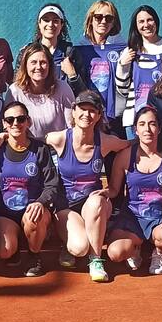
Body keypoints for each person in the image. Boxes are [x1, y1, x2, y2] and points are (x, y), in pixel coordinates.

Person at [49, 90, 129, 282]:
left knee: (96, 202)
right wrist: (2, 136)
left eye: (92, 111)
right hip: (66, 208)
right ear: (74, 112)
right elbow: (29, 142)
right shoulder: (59, 139)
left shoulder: (105, 141)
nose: (86, 115)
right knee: (79, 248)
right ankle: (68, 244)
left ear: (99, 116)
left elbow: (132, 144)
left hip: (94, 206)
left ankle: (95, 259)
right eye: (82, 110)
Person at [0, 102, 61, 278]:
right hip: (5, 212)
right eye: (10, 119)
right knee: (6, 251)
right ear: (4, 124)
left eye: (21, 119)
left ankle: (33, 255)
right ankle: (19, 241)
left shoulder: (40, 149)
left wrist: (41, 202)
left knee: (34, 218)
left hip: (33, 209)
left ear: (28, 121)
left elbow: (52, 184)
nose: (16, 123)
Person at [105, 106, 162, 276]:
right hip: (131, 218)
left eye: (152, 124)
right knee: (115, 253)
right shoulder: (125, 156)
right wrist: (101, 194)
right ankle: (135, 248)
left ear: (159, 128)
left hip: (161, 217)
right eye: (142, 124)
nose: (147, 129)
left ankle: (159, 251)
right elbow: (113, 189)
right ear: (135, 130)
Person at [69, 0, 126, 136]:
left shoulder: (123, 49)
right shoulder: (78, 50)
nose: (103, 21)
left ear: (114, 22)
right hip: (87, 115)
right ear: (91, 20)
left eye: (109, 18)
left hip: (114, 119)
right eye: (98, 17)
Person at [115, 5, 162, 135]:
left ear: (156, 21)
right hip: (134, 119)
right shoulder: (129, 51)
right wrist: (122, 65)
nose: (146, 25)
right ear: (135, 26)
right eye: (141, 21)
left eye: (150, 20)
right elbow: (122, 90)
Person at [5, 43, 74, 137]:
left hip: (57, 148)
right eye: (33, 62)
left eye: (43, 62)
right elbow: (8, 125)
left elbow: (72, 126)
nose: (38, 67)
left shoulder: (62, 88)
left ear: (50, 65)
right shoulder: (14, 91)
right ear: (25, 65)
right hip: (26, 149)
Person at [17, 3, 74, 83]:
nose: (50, 25)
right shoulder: (26, 52)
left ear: (61, 25)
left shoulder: (71, 53)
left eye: (55, 21)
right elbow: (18, 83)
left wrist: (73, 76)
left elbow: (82, 92)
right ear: (39, 24)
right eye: (46, 20)